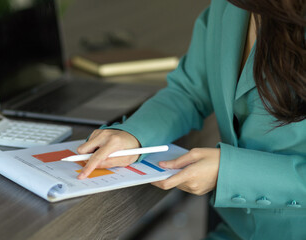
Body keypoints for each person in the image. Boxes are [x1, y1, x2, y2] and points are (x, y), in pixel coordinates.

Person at [76, 0, 306, 239]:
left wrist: (231, 173)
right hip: (236, 231)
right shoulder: (229, 7)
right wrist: (134, 134)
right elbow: (190, 90)